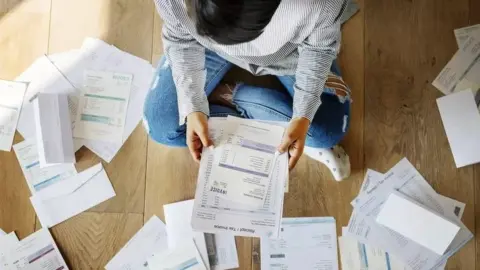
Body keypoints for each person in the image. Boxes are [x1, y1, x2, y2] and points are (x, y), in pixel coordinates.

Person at [144, 0, 352, 180]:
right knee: (161, 126)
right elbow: (180, 38)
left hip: (290, 54)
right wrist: (192, 104)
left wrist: (302, 116)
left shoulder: (321, 4)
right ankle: (247, 109)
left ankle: (230, 96)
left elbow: (319, 50)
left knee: (329, 131)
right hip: (204, 47)